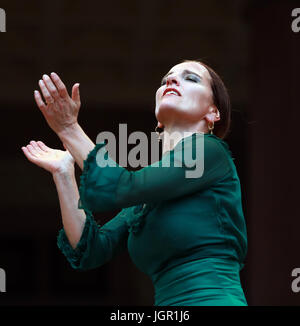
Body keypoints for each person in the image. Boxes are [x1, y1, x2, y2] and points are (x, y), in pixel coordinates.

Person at [21, 59, 248, 306]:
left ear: (213, 112)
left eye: (190, 78)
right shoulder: (146, 194)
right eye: (165, 80)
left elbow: (124, 186)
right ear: (158, 117)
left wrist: (69, 129)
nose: (170, 81)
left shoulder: (210, 151)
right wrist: (64, 174)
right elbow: (91, 249)